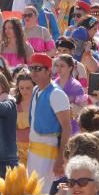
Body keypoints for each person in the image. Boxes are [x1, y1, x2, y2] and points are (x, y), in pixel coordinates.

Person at [27, 53, 71, 186]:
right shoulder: (35, 90)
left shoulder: (56, 94)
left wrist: (61, 159)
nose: (33, 72)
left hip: (48, 156)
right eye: (31, 68)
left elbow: (66, 127)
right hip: (33, 152)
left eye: (38, 69)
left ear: (48, 71)